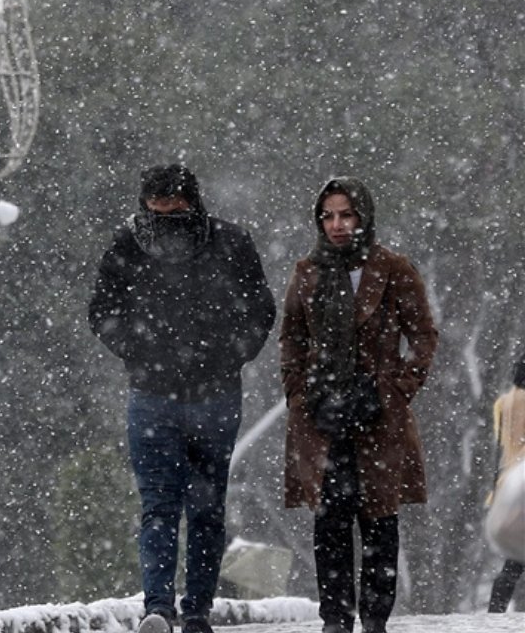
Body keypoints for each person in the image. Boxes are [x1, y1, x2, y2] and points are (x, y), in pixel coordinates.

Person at [89, 163, 276, 633]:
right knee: (167, 506)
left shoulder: (231, 243)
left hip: (207, 394)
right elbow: (103, 310)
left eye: (175, 212)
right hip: (158, 393)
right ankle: (164, 607)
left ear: (192, 204)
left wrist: (226, 356)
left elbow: (259, 310)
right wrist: (142, 353)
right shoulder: (129, 245)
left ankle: (191, 608)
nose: (167, 223)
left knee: (198, 508)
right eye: (159, 212)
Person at [279, 177, 439, 633]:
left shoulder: (392, 268)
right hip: (321, 414)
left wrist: (396, 388)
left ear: (363, 216)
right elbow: (291, 336)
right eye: (328, 215)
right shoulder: (307, 271)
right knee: (329, 519)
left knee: (379, 520)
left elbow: (424, 336)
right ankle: (334, 618)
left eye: (346, 214)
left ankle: (374, 619)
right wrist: (298, 393)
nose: (337, 225)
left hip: (377, 415)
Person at [488, 350, 525, 613]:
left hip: (509, 482)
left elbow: (501, 446)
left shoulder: (505, 403)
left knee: (514, 561)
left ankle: (496, 610)